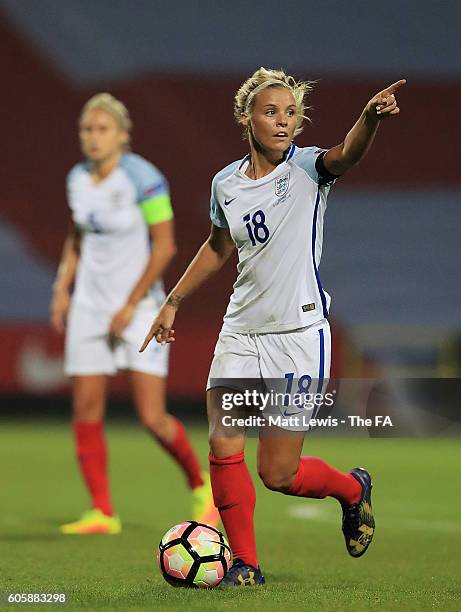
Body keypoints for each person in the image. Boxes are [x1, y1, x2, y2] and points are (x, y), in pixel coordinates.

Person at [141, 68, 405, 584]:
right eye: (271, 112)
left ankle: (353, 489)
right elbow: (219, 247)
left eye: (291, 113)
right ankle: (247, 565)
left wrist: (369, 119)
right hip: (240, 332)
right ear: (247, 118)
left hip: (299, 336)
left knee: (278, 474)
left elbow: (346, 154)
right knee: (223, 442)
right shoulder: (227, 183)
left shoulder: (307, 169)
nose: (283, 122)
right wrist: (173, 300)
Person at [50, 93, 218, 535]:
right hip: (89, 307)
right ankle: (103, 512)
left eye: (102, 129)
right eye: (87, 129)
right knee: (85, 409)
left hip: (139, 307)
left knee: (152, 417)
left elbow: (165, 246)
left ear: (123, 135)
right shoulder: (77, 179)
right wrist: (62, 286)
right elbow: (76, 235)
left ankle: (201, 486)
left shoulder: (144, 178)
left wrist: (129, 304)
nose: (93, 137)